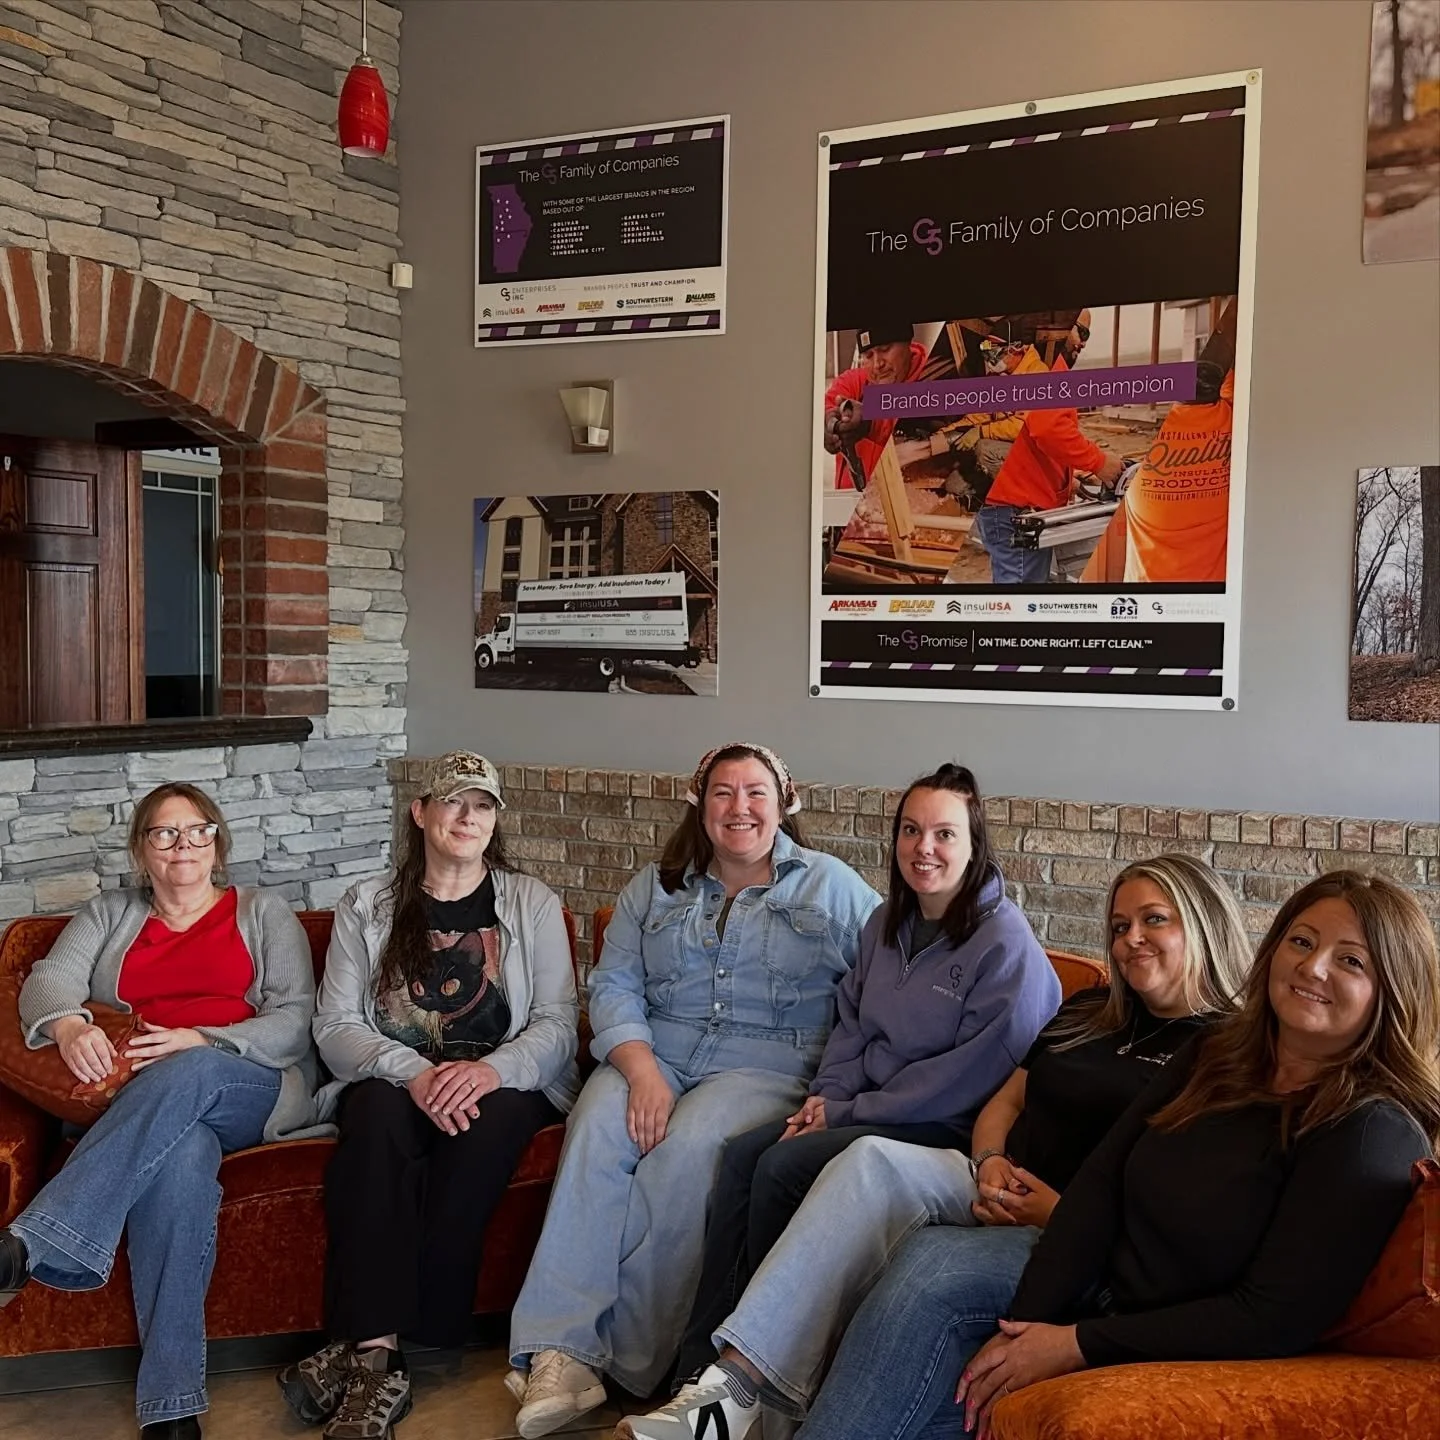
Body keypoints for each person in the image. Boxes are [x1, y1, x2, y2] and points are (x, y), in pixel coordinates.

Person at [617, 763, 1063, 1440]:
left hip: (946, 1130)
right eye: (911, 831)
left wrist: (852, 1112)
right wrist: (828, 1095)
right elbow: (850, 1022)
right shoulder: (888, 922)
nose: (925, 848)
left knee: (780, 1167)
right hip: (869, 1109)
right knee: (742, 1157)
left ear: (974, 845)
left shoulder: (1005, 942)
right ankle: (698, 1371)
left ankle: (755, 1394)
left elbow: (973, 1075)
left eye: (945, 833)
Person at [957, 869, 1440, 1440]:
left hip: (1170, 1331)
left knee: (934, 1287)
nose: (1313, 967)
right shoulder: (1217, 1049)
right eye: (1302, 941)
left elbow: (1270, 1318)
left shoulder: (1370, 1131)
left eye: (1351, 961)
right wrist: (1029, 1323)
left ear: (1393, 989)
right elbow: (1103, 1179)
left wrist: (1072, 1344)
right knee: (929, 1273)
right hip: (1098, 1278)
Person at [786, 853, 1253, 1440]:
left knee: (929, 1265)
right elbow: (1004, 1105)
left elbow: (1179, 1211)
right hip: (990, 1186)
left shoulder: (1226, 1052)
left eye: (1154, 920)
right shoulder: (1089, 1012)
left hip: (1075, 1237)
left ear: (1202, 922)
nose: (1132, 939)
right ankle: (742, 1386)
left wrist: (1058, 1215)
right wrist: (990, 1165)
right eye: (1118, 925)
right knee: (859, 1166)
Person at [506, 743, 881, 1438]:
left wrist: (845, 1081)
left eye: (756, 793)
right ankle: (559, 1354)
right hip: (658, 1049)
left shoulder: (834, 887)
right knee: (596, 1130)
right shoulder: (656, 886)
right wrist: (641, 1067)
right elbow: (614, 983)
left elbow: (882, 986)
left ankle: (627, 1364)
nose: (740, 807)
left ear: (784, 802)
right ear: (700, 803)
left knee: (688, 1149)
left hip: (770, 1063)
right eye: (723, 793)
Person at [0, 783, 324, 1440]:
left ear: (218, 843)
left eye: (197, 830)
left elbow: (296, 1020)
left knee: (194, 1069)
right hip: (144, 1107)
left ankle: (35, 1239)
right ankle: (172, 1411)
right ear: (142, 851)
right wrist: (68, 1028)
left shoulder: (263, 913)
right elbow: (48, 983)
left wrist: (203, 1039)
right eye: (165, 833)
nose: (183, 845)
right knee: (179, 1171)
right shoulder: (109, 913)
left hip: (244, 1085)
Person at [277, 751, 580, 1440]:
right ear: (421, 813)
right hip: (393, 1075)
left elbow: (558, 1025)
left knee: (485, 1125)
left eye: (482, 805)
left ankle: (352, 1349)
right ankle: (379, 1357)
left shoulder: (530, 903)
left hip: (503, 1079)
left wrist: (489, 1071)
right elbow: (335, 1026)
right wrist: (412, 1072)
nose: (467, 817)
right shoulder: (369, 903)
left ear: (495, 818)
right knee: (376, 1120)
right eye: (452, 802)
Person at [976, 309, 1125, 585]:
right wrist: (1099, 462)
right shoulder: (1047, 371)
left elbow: (1032, 441)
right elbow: (1048, 428)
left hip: (1017, 505)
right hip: (1016, 509)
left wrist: (1071, 481)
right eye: (1081, 331)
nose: (1083, 341)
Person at [823, 323, 927, 490]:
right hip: (851, 510)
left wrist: (870, 420)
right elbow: (823, 407)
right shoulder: (853, 381)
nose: (877, 364)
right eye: (869, 355)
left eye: (885, 349)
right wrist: (828, 422)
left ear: (908, 342)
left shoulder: (935, 377)